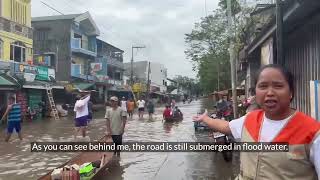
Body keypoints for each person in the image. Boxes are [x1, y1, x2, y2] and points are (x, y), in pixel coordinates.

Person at [193, 64, 320, 179]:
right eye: (263, 86)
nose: (270, 92)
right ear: (256, 93)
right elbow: (226, 126)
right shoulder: (249, 119)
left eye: (278, 86)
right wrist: (205, 119)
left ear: (291, 92)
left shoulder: (313, 133)